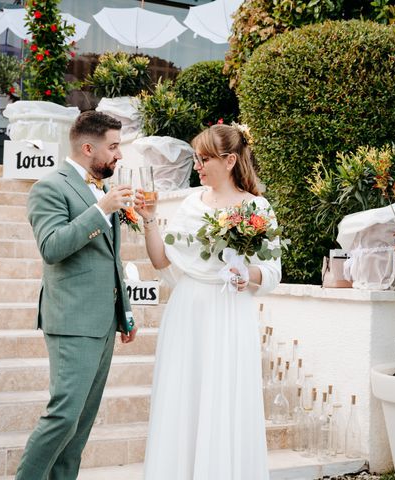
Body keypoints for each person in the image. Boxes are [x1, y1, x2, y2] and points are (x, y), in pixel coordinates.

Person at [134, 124, 281, 479]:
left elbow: (272, 268)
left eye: (204, 159)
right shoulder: (190, 203)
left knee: (224, 398)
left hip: (230, 309)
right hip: (187, 310)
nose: (197, 166)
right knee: (183, 397)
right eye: (196, 159)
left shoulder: (256, 207)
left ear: (229, 160)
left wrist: (250, 277)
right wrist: (150, 220)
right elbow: (161, 261)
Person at [16, 111, 138, 480]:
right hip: (71, 321)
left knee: (80, 425)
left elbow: (110, 259)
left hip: (102, 322)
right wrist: (101, 210)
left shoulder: (101, 189)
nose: (119, 155)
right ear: (89, 147)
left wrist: (125, 312)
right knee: (63, 417)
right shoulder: (49, 187)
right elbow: (52, 247)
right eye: (113, 147)